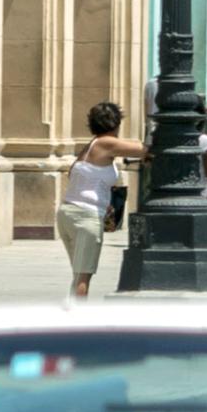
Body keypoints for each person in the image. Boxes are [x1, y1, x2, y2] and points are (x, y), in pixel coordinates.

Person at [58, 101, 147, 298]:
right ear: (115, 125)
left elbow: (78, 177)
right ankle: (77, 321)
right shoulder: (107, 143)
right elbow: (145, 149)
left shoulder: (90, 146)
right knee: (83, 277)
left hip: (68, 213)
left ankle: (71, 314)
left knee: (78, 273)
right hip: (86, 218)